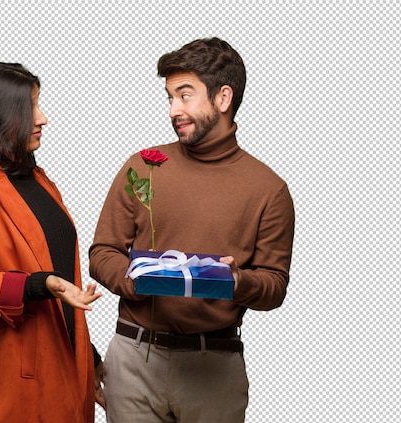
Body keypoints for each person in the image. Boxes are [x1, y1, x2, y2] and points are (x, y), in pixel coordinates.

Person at [89, 37, 295, 422]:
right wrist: (132, 279)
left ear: (223, 98)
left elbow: (274, 286)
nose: (174, 110)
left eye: (185, 96)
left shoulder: (269, 190)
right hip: (135, 359)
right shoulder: (143, 166)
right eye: (169, 98)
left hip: (214, 368)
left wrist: (238, 281)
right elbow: (102, 252)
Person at [0, 62, 105, 423]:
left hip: (67, 364)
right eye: (31, 107)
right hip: (18, 382)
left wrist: (90, 357)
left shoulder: (40, 182)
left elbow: (55, 265)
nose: (42, 118)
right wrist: (41, 284)